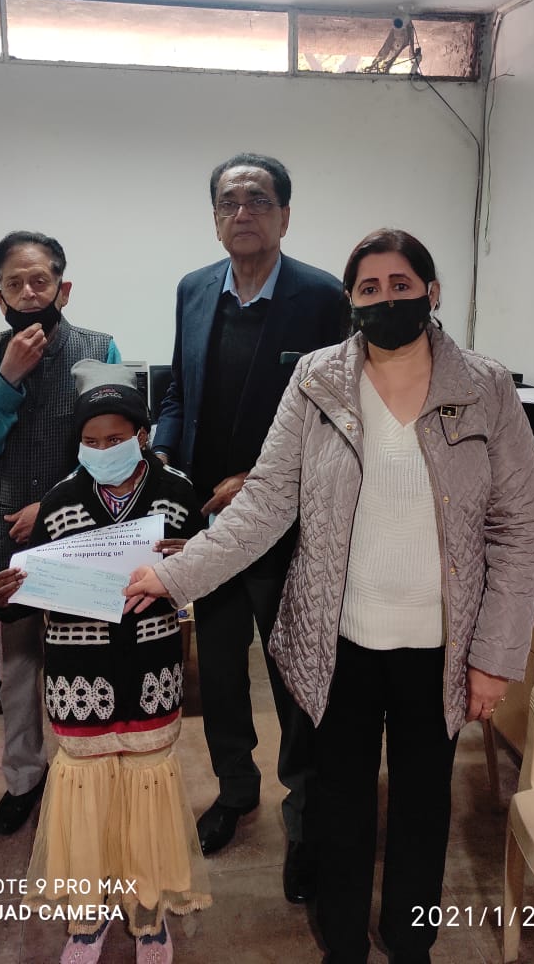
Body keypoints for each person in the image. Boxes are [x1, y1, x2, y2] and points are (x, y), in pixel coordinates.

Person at [126, 227, 534, 964]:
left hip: (441, 649)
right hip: (339, 640)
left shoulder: (486, 386)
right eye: (369, 288)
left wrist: (494, 657)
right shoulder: (317, 378)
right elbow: (266, 501)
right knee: (339, 805)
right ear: (351, 301)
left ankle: (411, 943)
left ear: (432, 292)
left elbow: (518, 529)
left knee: (423, 807)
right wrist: (176, 574)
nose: (386, 299)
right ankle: (343, 944)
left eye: (401, 285)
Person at [151, 153, 343, 898]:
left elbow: (335, 415)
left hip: (288, 525)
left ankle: (307, 815)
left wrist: (257, 482)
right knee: (223, 671)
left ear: (285, 215)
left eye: (259, 199)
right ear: (214, 217)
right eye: (229, 201)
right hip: (208, 522)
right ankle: (235, 790)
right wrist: (162, 459)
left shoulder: (322, 297)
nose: (243, 212)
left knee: (293, 673)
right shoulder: (194, 289)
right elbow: (178, 387)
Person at [0, 367, 210, 964]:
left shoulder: (177, 493)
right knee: (84, 787)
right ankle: (87, 916)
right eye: (91, 440)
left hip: (151, 666)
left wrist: (190, 560)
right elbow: (34, 591)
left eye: (116, 438)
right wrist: (4, 600)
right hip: (78, 674)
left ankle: (147, 911)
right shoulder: (60, 501)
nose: (103, 449)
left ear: (142, 435)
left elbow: (205, 574)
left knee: (146, 782)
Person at [0, 230, 121, 834]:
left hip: (80, 536)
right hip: (0, 543)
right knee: (17, 671)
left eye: (39, 280)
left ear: (62, 289)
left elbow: (117, 442)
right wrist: (7, 377)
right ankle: (24, 778)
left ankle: (86, 772)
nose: (28, 292)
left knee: (88, 659)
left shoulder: (97, 349)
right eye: (14, 283)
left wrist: (52, 506)